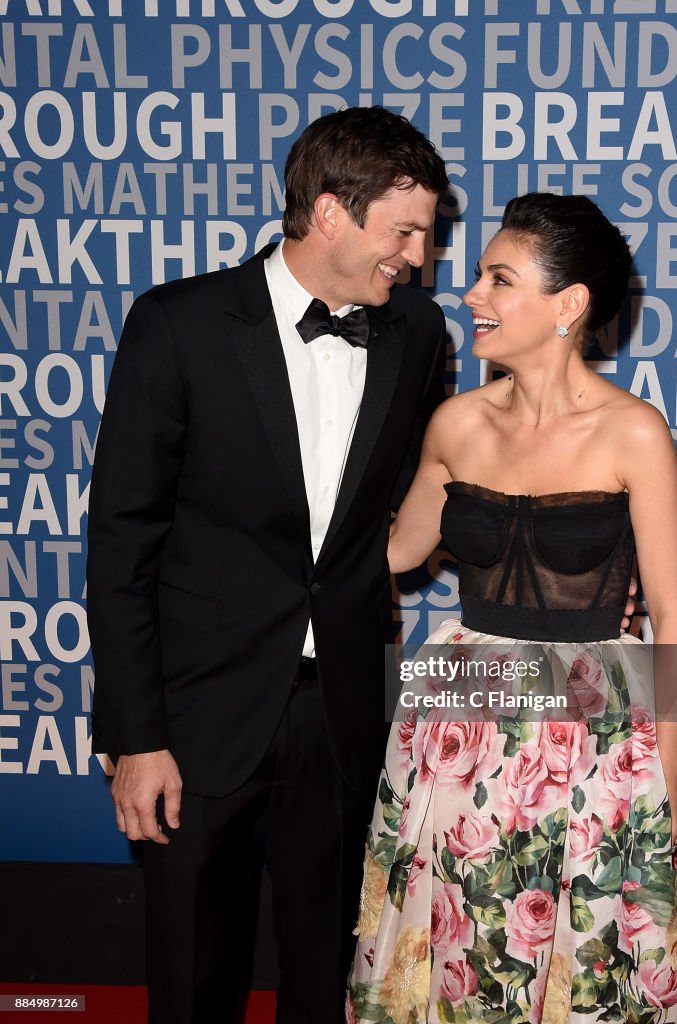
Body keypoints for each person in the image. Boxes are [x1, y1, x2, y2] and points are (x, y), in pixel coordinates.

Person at [86, 105, 450, 1024]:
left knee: (329, 971)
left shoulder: (416, 332)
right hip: (199, 714)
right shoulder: (179, 323)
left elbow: (430, 502)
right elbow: (122, 543)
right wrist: (136, 736)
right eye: (404, 231)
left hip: (342, 714)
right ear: (330, 212)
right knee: (194, 969)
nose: (416, 255)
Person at [348, 193, 677, 1023]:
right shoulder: (457, 423)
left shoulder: (633, 433)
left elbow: (674, 621)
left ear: (567, 306)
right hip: (457, 723)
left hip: (593, 734)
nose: (471, 294)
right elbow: (391, 554)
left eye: (497, 279)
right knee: (459, 937)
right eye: (477, 276)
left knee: (584, 950)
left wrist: (671, 768)